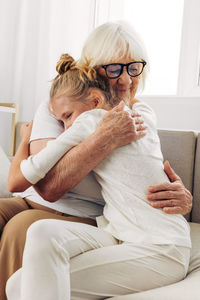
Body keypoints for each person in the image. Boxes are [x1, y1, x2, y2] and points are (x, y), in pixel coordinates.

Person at [1, 21, 192, 300]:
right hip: (88, 218)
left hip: (99, 220)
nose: (126, 80)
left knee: (23, 238)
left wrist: (182, 197)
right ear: (92, 70)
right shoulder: (65, 105)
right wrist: (104, 136)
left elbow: (147, 173)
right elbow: (46, 187)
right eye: (114, 69)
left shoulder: (138, 115)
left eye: (134, 67)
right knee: (30, 229)